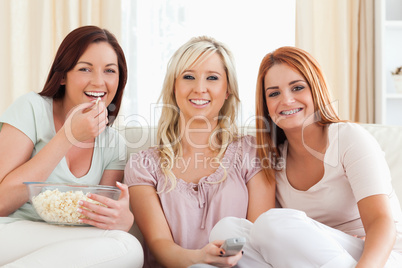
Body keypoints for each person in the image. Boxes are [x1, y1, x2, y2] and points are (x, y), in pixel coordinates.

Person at [212, 46, 402, 267]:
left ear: (315, 89)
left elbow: (382, 222)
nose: (287, 100)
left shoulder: (348, 138)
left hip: (377, 256)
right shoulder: (274, 157)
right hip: (319, 257)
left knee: (271, 223)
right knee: (227, 230)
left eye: (297, 88)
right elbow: (274, 242)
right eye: (274, 93)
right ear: (266, 105)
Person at [124, 36, 275, 268]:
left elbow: (258, 238)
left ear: (227, 90)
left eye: (212, 78)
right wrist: (200, 259)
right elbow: (159, 242)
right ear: (174, 87)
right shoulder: (143, 165)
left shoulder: (253, 152)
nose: (199, 88)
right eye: (188, 77)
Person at [0, 25, 143, 267]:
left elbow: (97, 219)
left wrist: (122, 218)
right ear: (63, 75)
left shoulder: (113, 143)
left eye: (110, 71)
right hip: (9, 233)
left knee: (125, 245)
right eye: (85, 69)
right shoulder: (32, 108)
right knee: (125, 247)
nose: (99, 81)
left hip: (68, 245)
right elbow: (2, 203)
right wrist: (68, 136)